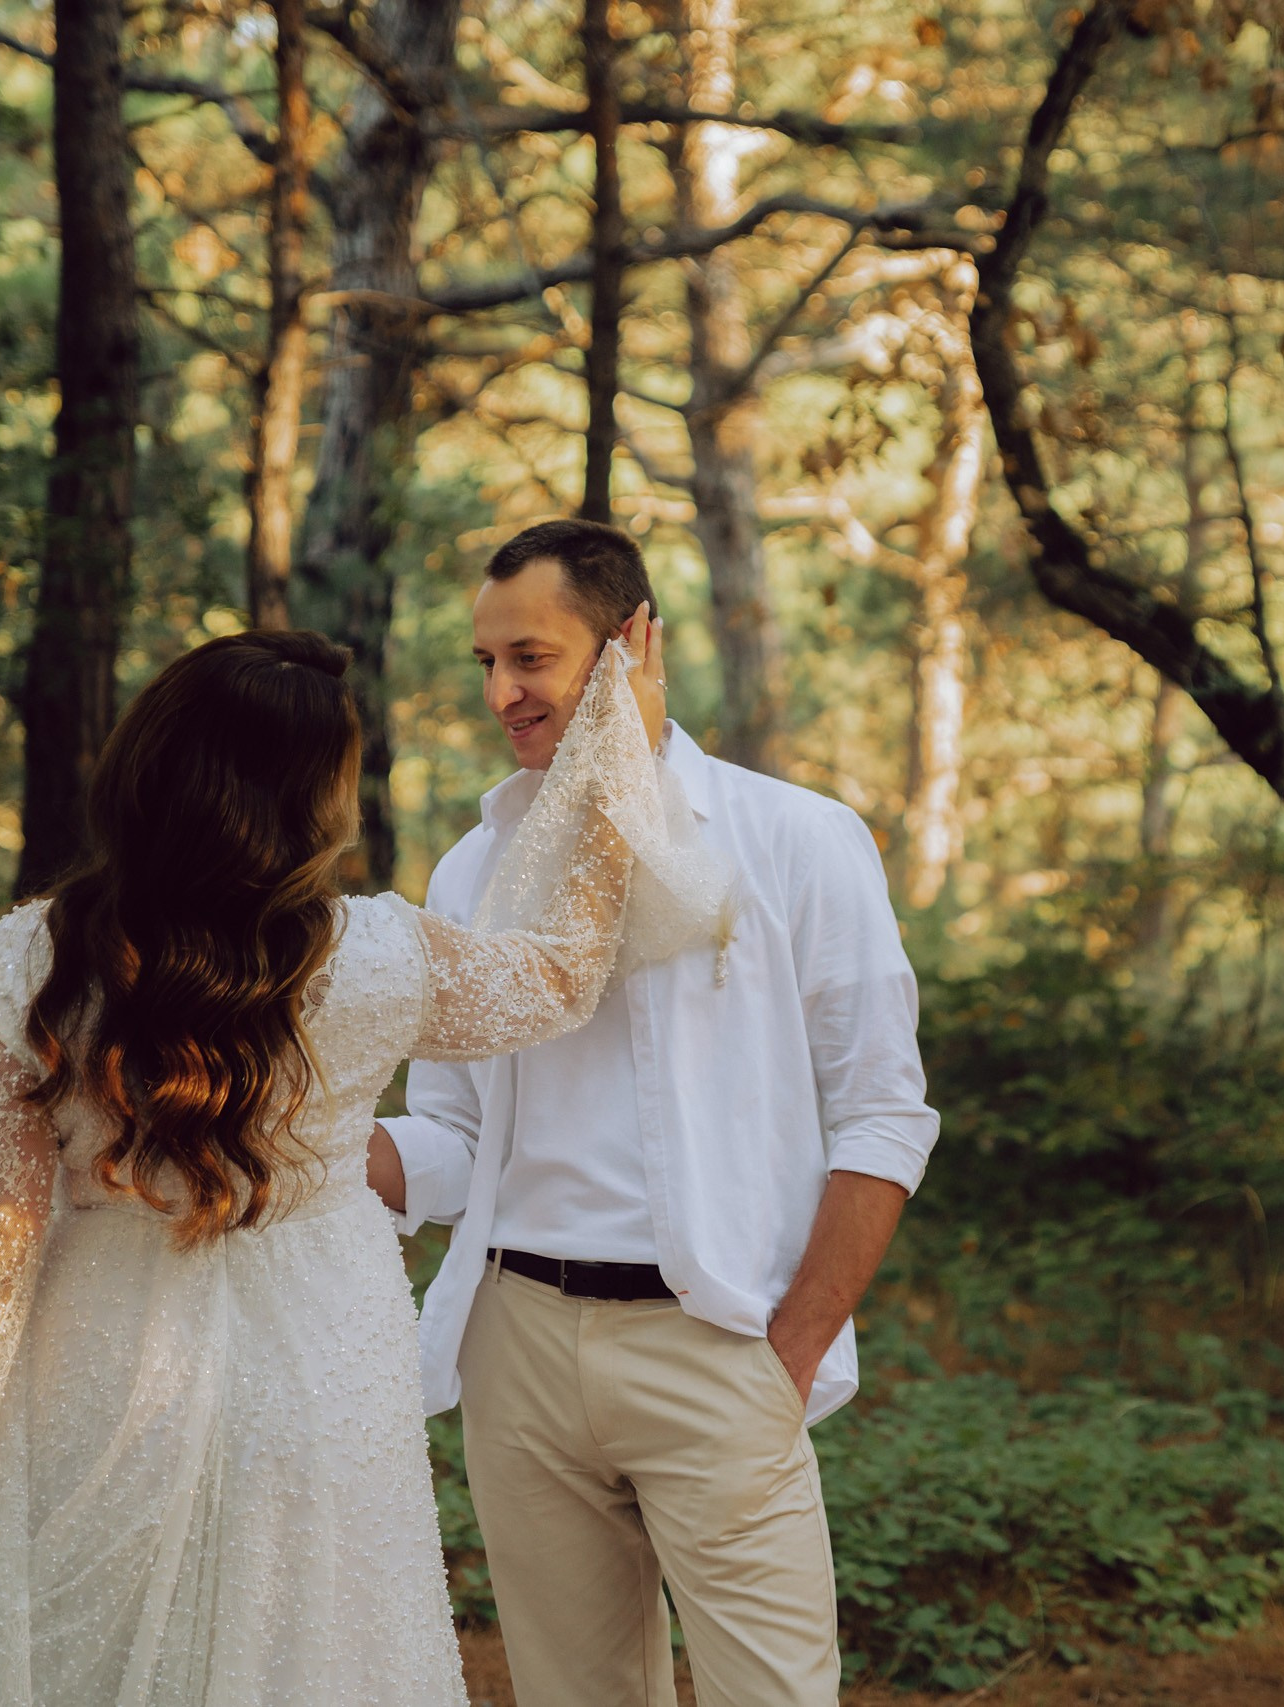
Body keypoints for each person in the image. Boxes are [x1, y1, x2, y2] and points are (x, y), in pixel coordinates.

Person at [0, 614, 707, 1707]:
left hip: (102, 1362)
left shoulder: (25, 963)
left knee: (97, 1654)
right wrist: (617, 746)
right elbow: (562, 973)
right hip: (320, 1363)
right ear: (311, 798)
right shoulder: (382, 958)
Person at [377, 518, 940, 1707]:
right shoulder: (472, 871)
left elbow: (883, 1115)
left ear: (632, 641)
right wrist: (298, 1141)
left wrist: (788, 1347)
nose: (501, 695)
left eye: (529, 657)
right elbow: (455, 1137)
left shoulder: (797, 838)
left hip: (719, 1338)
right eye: (484, 664)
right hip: (515, 1344)